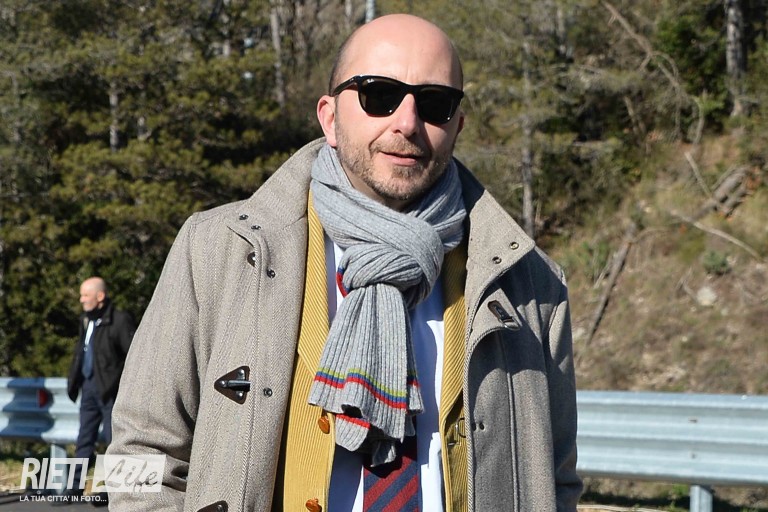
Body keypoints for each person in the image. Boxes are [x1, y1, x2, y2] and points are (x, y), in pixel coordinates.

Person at [108, 13, 582, 512]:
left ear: (457, 125)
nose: (407, 123)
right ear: (330, 117)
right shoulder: (215, 250)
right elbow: (139, 453)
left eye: (434, 103)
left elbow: (557, 481)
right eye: (379, 95)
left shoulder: (531, 283)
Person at [65, 277, 135, 498]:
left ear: (100, 296)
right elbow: (81, 352)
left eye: (86, 295)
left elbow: (132, 356)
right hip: (88, 387)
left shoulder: (119, 320)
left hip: (111, 390)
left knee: (114, 440)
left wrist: (117, 383)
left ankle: (113, 490)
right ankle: (74, 487)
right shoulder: (86, 320)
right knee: (84, 438)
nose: (81, 299)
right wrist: (74, 381)